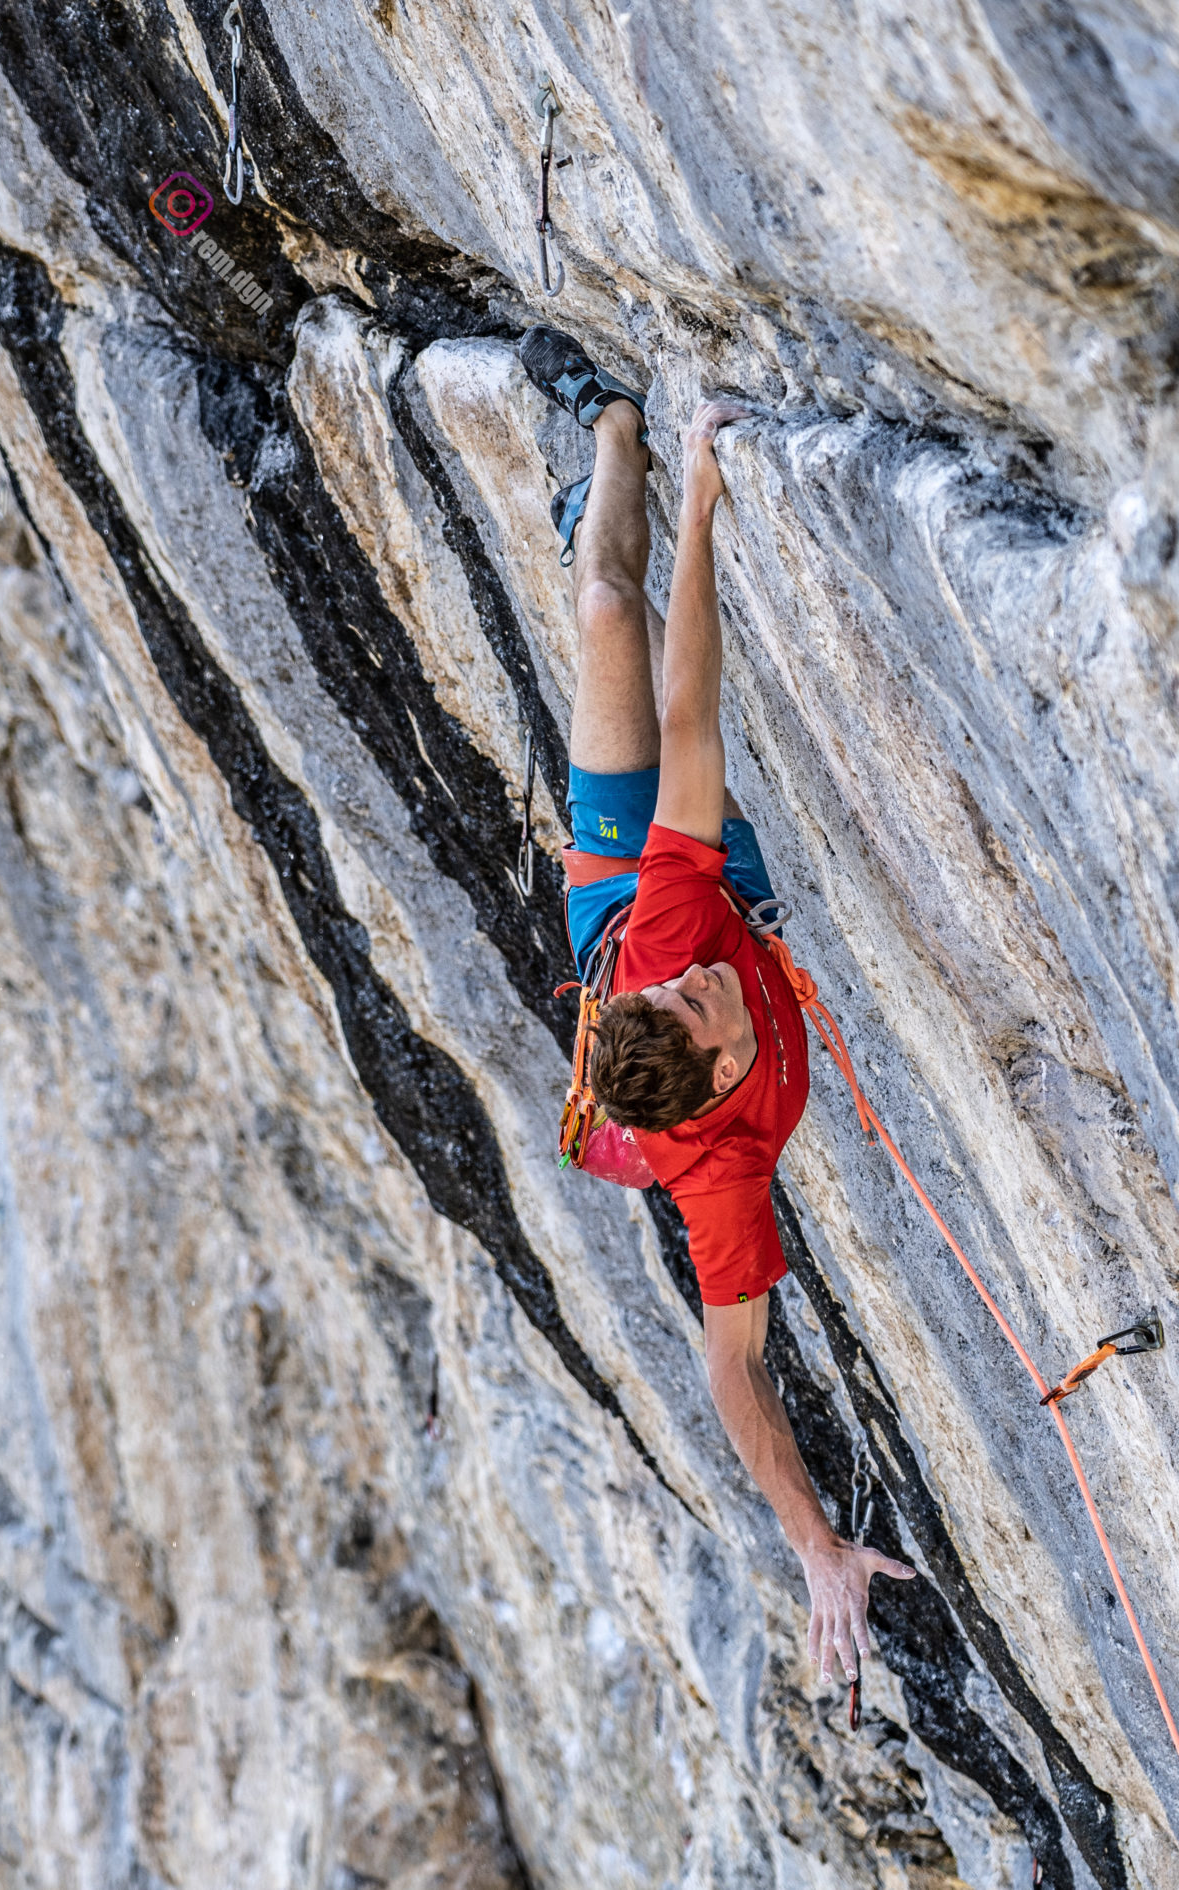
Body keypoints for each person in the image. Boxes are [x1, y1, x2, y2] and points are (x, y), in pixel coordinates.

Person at [518, 327, 914, 1696]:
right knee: (623, 627)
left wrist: (698, 501)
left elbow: (694, 721)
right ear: (714, 1074)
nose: (701, 988)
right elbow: (732, 1371)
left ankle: (611, 431)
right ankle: (608, 487)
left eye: (684, 992)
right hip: (698, 915)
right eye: (702, 1009)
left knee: (609, 611)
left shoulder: (669, 946)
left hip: (631, 893)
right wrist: (815, 1547)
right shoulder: (722, 1168)